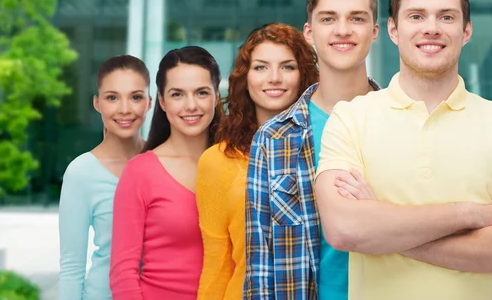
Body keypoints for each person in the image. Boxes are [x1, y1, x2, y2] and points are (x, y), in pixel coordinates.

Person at [315, 0, 492, 300]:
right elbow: (345, 230)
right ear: (393, 30)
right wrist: (470, 214)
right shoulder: (349, 119)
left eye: (447, 17)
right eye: (416, 16)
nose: (432, 28)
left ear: (466, 31)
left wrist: (385, 232)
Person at [244, 0, 380, 300]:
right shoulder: (273, 138)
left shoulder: (407, 124)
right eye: (329, 18)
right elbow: (260, 265)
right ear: (309, 32)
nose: (343, 30)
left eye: (357, 18)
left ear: (375, 31)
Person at [196, 23, 319, 300]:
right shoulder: (217, 161)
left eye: (288, 67)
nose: (274, 78)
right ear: (245, 78)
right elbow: (216, 264)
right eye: (261, 67)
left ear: (304, 76)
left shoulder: (324, 144)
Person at [110, 46, 224, 300]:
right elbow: (122, 273)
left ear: (216, 96)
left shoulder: (237, 164)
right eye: (177, 94)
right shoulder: (140, 173)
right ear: (161, 101)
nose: (191, 105)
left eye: (201, 92)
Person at [59, 55, 152, 300]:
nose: (124, 109)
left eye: (135, 97)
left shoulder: (163, 162)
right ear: (97, 103)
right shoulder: (81, 173)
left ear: (150, 102)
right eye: (112, 97)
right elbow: (71, 268)